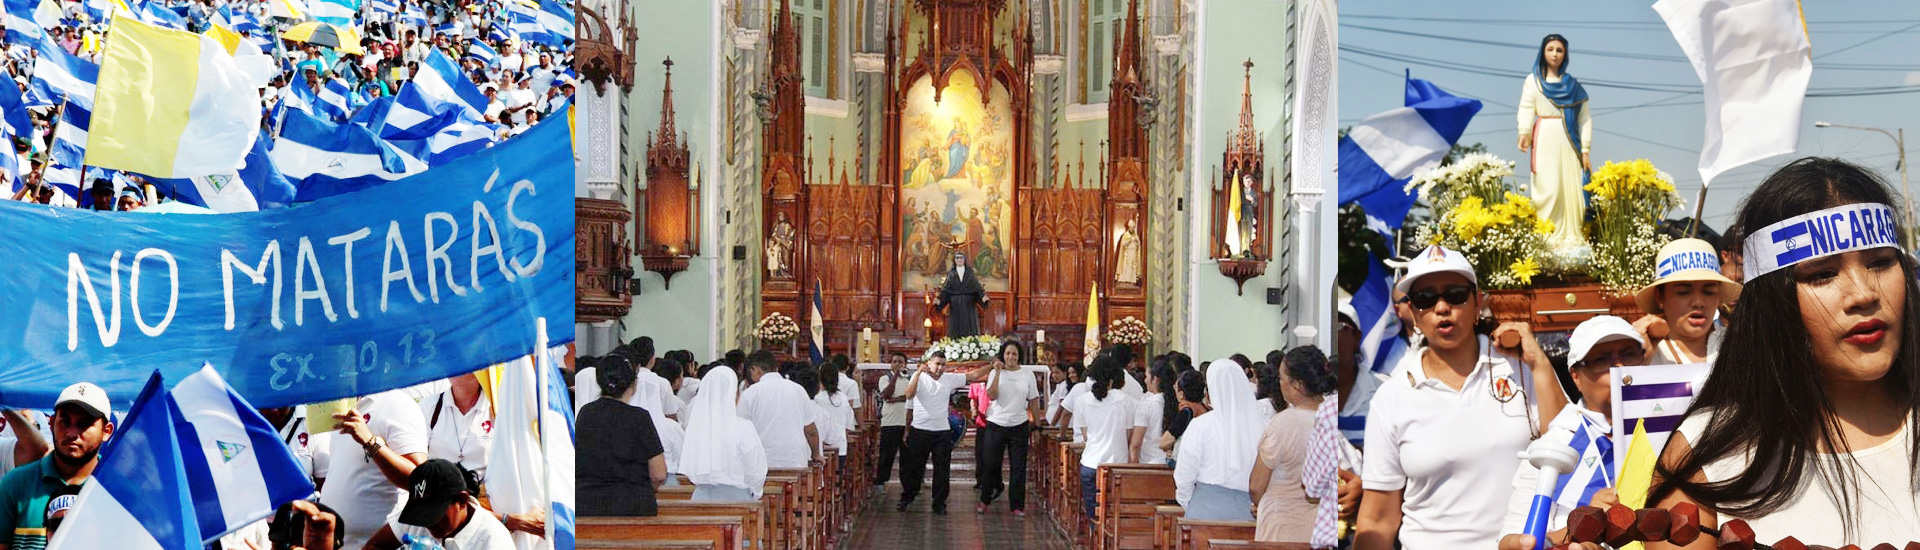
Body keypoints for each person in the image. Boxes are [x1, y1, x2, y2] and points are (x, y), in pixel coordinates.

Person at [1645, 159, 1920, 547]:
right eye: (1822, 273)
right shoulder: (1703, 460)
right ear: (1772, 302)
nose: (1863, 294)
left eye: (1880, 263)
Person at [1355, 245, 1570, 550]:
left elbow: (1567, 444)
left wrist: (1541, 363)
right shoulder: (1392, 396)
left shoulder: (1518, 368)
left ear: (1477, 302)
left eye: (1455, 294)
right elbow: (1377, 520)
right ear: (1413, 313)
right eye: (1426, 299)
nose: (1442, 307)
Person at [1497, 315, 1645, 550]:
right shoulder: (1554, 445)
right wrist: (1588, 526)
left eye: (1628, 354)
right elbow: (1519, 536)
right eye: (1602, 359)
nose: (1619, 367)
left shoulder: (1672, 433)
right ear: (1576, 377)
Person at [0, 383, 112, 550]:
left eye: (84, 424)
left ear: (106, 431)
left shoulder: (119, 491)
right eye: (65, 422)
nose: (72, 433)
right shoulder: (15, 484)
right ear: (51, 423)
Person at [320, 389, 431, 550]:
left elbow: (420, 481)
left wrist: (370, 443)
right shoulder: (341, 403)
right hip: (338, 542)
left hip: (378, 544)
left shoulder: (398, 403)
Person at [1252, 347, 1337, 544]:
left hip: (1282, 524)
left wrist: (1259, 503)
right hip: (1323, 523)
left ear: (1297, 385)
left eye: (1282, 378)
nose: (1279, 384)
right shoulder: (1334, 415)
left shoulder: (1284, 422)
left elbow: (1256, 485)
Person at [1516, 33, 1592, 249]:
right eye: (1551, 49)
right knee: (1549, 187)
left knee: (1571, 188)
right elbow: (1526, 107)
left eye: (1559, 50)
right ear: (1543, 52)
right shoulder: (1534, 81)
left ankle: (1572, 237)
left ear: (1565, 54)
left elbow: (1585, 118)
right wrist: (1524, 132)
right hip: (1545, 137)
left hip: (1569, 139)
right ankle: (1547, 238)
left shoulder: (1572, 86)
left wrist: (1585, 150)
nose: (1555, 54)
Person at [1174, 359, 1268, 521]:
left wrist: (1190, 504)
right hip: (1251, 513)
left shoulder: (1201, 425)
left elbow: (1184, 476)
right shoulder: (1264, 425)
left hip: (1205, 509)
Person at [578, 356, 668, 515]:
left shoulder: (585, 414)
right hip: (633, 505)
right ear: (633, 384)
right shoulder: (639, 417)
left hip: (588, 504)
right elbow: (659, 473)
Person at [1632, 238, 1742, 365]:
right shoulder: (1641, 352)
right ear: (1660, 297)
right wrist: (1636, 361)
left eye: (1709, 292)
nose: (1698, 302)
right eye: (1683, 292)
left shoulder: (1740, 346)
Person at [1073, 353, 1142, 530]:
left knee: (1094, 516)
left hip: (1090, 463)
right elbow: (1128, 435)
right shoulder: (1127, 401)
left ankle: (1095, 539)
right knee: (1114, 514)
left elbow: (1086, 435)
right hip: (1117, 465)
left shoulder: (1082, 401)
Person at [680, 366, 769, 502]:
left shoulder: (697, 427)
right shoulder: (743, 427)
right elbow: (756, 471)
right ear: (733, 395)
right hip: (737, 500)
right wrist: (754, 494)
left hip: (700, 500)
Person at [900, 349, 968, 514]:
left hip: (941, 431)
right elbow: (908, 396)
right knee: (915, 468)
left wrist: (992, 366)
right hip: (920, 430)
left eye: (943, 365)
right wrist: (917, 374)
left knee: (942, 470)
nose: (940, 368)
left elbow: (972, 376)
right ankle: (907, 497)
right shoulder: (919, 378)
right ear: (929, 363)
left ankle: (939, 503)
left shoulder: (948, 379)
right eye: (937, 364)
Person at [977, 340, 1040, 515]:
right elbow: (991, 395)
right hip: (996, 424)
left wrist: (1038, 425)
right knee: (990, 464)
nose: (1011, 357)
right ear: (1003, 355)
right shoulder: (995, 372)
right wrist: (997, 372)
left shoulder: (1027, 374)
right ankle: (985, 499)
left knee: (1018, 467)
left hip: (1019, 425)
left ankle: (1017, 506)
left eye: (1014, 354)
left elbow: (1034, 400)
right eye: (1007, 353)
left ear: (1019, 356)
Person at [391, 460, 514, 549]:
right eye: (422, 515)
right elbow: (375, 545)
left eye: (435, 514)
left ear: (462, 500)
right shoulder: (416, 518)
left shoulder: (494, 539)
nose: (428, 523)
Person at [736, 350, 820, 469]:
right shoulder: (798, 390)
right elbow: (811, 430)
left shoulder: (750, 393)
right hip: (795, 460)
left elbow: (741, 431)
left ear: (755, 369)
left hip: (762, 462)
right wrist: (815, 454)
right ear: (775, 368)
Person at [419, 373, 494, 482]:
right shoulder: (428, 406)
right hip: (440, 493)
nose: (457, 368)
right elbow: (418, 459)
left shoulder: (496, 409)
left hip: (485, 495)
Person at [873, 353, 912, 489]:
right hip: (889, 422)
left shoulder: (911, 378)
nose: (897, 364)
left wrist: (896, 399)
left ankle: (908, 483)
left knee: (907, 457)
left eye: (900, 362)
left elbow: (911, 396)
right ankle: (881, 481)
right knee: (886, 454)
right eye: (895, 362)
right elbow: (886, 394)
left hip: (906, 422)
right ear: (891, 364)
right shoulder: (885, 378)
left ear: (905, 364)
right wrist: (895, 376)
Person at [1131, 357, 1176, 467]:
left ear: (1155, 379)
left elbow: (1136, 444)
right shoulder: (1176, 403)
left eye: (1147, 376)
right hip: (1171, 463)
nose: (1145, 380)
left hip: (1149, 464)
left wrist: (1133, 466)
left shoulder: (1146, 405)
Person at [1159, 369, 1210, 465]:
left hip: (1188, 463)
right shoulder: (1207, 410)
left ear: (1181, 394)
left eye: (1175, 388)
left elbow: (1164, 442)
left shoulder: (1187, 412)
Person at [935, 252, 989, 338]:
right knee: (955, 328)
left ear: (964, 260)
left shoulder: (970, 273)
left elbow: (977, 288)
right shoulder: (951, 274)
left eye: (961, 258)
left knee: (970, 328)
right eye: (957, 258)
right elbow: (945, 290)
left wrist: (983, 297)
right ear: (954, 260)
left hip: (969, 304)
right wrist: (939, 300)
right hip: (955, 305)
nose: (959, 260)